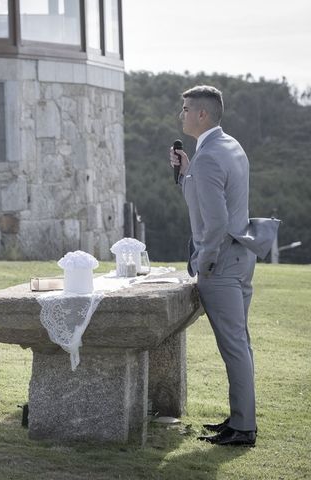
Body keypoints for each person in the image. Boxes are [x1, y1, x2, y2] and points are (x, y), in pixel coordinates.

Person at [170, 85, 257, 447]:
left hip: (220, 265)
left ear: (202, 115)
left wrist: (202, 264)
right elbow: (212, 198)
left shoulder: (208, 158)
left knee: (234, 346)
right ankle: (239, 420)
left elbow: (216, 222)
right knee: (240, 344)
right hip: (242, 257)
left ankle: (243, 429)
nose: (182, 115)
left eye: (186, 109)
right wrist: (185, 174)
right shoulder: (230, 146)